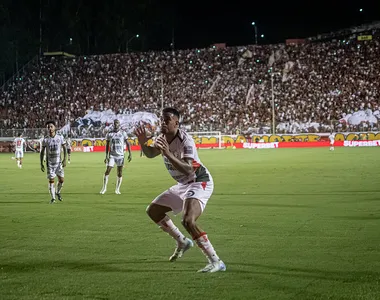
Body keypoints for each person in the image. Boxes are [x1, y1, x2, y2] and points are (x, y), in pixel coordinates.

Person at [135, 107, 226, 273]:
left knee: (188, 220)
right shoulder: (161, 138)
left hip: (198, 181)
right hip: (183, 184)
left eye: (167, 119)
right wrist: (142, 142)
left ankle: (216, 261)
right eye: (161, 119)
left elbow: (189, 169)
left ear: (176, 122)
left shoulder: (185, 140)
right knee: (153, 211)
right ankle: (183, 241)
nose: (163, 122)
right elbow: (150, 153)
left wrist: (168, 154)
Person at [100, 119, 132, 195]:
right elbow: (107, 145)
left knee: (120, 173)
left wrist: (130, 154)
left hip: (120, 156)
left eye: (117, 123)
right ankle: (104, 188)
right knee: (107, 171)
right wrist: (106, 156)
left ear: (119, 124)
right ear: (113, 124)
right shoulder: (109, 134)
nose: (116, 124)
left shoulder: (123, 133)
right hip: (112, 155)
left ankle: (117, 189)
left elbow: (128, 143)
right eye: (115, 123)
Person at [40, 121, 67, 204]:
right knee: (51, 181)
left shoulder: (60, 137)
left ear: (55, 127)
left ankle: (58, 192)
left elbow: (65, 148)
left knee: (61, 180)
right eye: (48, 127)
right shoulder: (45, 139)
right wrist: (41, 163)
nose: (50, 128)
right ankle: (53, 198)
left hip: (58, 163)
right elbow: (42, 152)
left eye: (51, 126)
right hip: (50, 164)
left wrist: (65, 159)